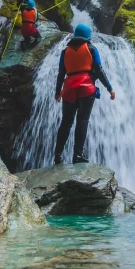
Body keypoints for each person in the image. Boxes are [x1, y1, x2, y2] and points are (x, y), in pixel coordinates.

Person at [54, 24, 115, 164]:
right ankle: (77, 155)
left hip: (69, 89)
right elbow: (99, 70)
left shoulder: (65, 51)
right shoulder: (92, 49)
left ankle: (57, 155)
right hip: (86, 88)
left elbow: (61, 73)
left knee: (66, 122)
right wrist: (109, 88)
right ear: (88, 36)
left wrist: (57, 92)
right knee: (82, 121)